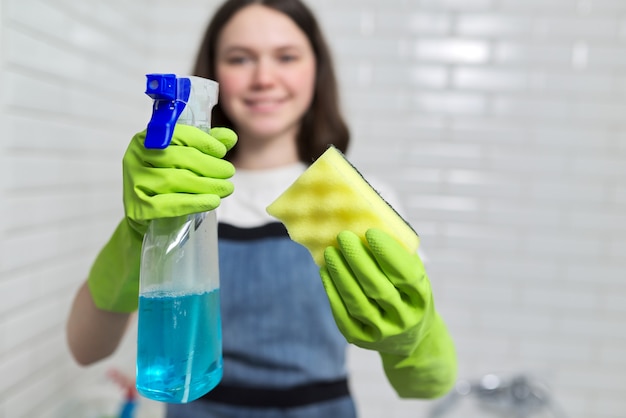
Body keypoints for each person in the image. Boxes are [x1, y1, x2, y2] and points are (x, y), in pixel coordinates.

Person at [66, 0, 457, 417]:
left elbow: (425, 388)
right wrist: (136, 232)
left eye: (286, 57)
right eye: (240, 59)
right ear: (214, 73)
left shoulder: (360, 199)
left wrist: (413, 340)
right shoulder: (176, 195)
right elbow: (87, 349)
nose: (264, 78)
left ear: (316, 70)